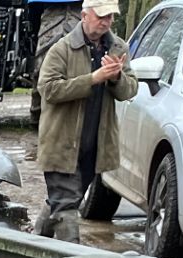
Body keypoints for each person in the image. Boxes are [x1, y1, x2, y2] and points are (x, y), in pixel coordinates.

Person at [36, 0, 138, 242]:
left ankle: (36, 241)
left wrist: (116, 78)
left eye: (111, 16)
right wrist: (92, 78)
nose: (107, 21)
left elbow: (129, 91)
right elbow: (48, 89)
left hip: (94, 145)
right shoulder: (62, 48)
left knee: (63, 200)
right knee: (67, 205)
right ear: (84, 15)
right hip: (61, 142)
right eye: (101, 16)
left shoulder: (118, 48)